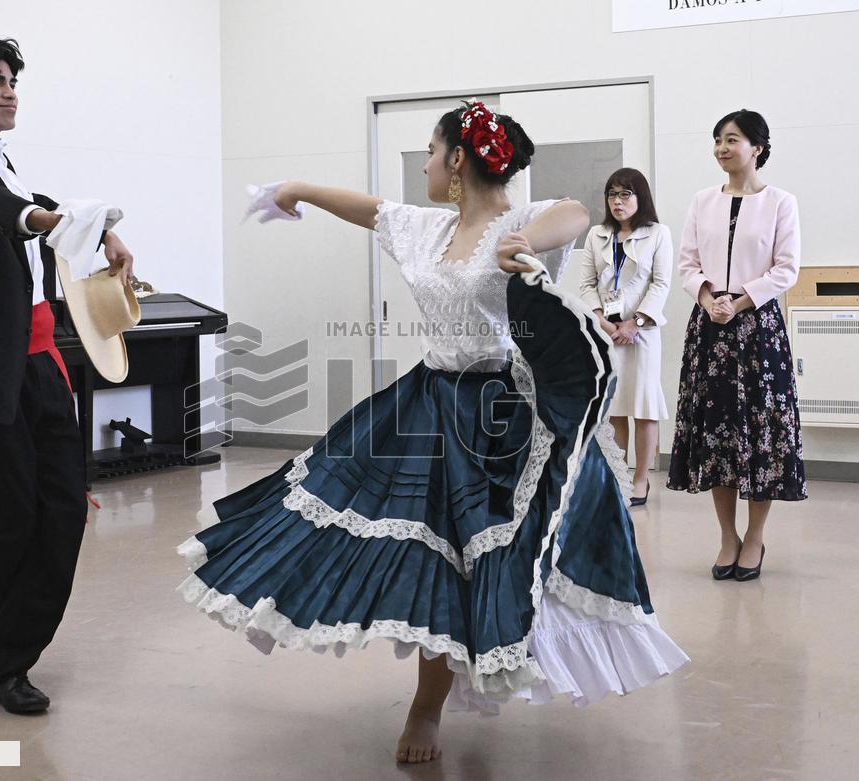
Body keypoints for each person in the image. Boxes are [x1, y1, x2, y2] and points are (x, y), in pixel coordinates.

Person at [179, 101, 688, 764]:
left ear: (457, 161)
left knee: (482, 554)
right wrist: (293, 190)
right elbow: (368, 208)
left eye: (430, 149)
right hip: (429, 404)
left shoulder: (517, 220)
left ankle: (446, 688)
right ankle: (427, 705)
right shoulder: (425, 227)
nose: (423, 161)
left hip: (503, 414)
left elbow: (574, 211)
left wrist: (526, 245)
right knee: (431, 555)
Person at [0, 38, 134, 713]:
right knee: (14, 516)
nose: (9, 93)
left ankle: (10, 652)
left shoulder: (4, 165)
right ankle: (2, 666)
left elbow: (38, 204)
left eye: (13, 83)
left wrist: (102, 235)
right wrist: (38, 219)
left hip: (42, 362)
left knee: (63, 509)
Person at [667, 109, 806, 582]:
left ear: (758, 148)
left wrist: (741, 300)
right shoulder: (702, 201)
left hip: (758, 330)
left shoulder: (780, 202)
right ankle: (727, 535)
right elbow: (686, 262)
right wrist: (708, 298)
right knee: (717, 433)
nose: (722, 148)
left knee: (759, 434)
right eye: (717, 140)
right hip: (710, 328)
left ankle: (755, 536)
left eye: (732, 140)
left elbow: (787, 268)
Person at [579, 168, 672, 507]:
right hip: (608, 335)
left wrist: (635, 322)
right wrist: (603, 321)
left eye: (625, 194)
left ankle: (641, 479)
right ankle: (619, 474)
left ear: (640, 197)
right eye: (612, 194)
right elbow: (587, 284)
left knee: (644, 406)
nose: (617, 201)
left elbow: (661, 284)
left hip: (642, 333)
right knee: (615, 407)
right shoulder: (596, 234)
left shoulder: (658, 233)